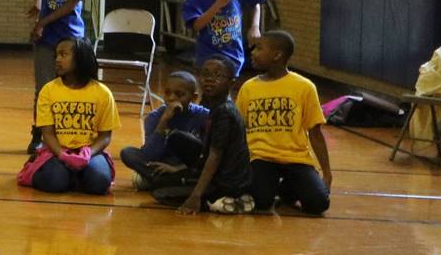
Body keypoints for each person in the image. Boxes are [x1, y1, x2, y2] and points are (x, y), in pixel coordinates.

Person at [232, 30, 332, 216]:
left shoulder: (304, 87)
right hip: (260, 158)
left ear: (277, 55)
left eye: (259, 48)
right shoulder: (249, 87)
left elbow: (316, 133)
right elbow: (238, 131)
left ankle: (287, 187)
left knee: (318, 204)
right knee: (261, 203)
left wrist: (327, 172)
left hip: (296, 158)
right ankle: (272, 188)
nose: (252, 52)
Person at [9, 0, 91, 151]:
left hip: (70, 37)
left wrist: (42, 22)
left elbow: (70, 5)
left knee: (70, 86)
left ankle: (69, 133)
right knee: (44, 88)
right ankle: (39, 134)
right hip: (46, 40)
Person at [153, 59, 254, 216]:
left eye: (218, 75)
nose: (209, 79)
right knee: (175, 145)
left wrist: (195, 196)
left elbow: (215, 156)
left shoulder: (224, 111)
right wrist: (179, 169)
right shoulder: (211, 106)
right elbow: (204, 151)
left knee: (161, 194)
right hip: (213, 174)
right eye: (205, 74)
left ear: (231, 83)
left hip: (226, 182)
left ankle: (231, 200)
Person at [28, 37, 119, 194]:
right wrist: (62, 154)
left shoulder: (102, 93)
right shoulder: (49, 90)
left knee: (99, 183)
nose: (57, 60)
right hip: (57, 150)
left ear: (81, 57)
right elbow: (47, 134)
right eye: (56, 55)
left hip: (90, 152)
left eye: (63, 55)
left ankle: (76, 175)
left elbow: (105, 136)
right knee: (55, 182)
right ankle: (64, 174)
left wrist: (88, 153)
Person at [117, 70, 208, 190]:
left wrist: (177, 168)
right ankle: (174, 182)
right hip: (161, 163)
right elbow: (150, 155)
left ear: (194, 97)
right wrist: (163, 121)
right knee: (127, 153)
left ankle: (160, 181)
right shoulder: (154, 117)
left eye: (179, 94)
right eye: (167, 93)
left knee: (180, 138)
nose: (171, 98)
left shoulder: (203, 116)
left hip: (187, 165)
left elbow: (205, 155)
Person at [182, 0, 267, 79]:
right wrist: (218, 5)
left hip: (233, 57)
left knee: (227, 95)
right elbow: (197, 26)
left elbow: (256, 2)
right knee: (209, 93)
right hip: (207, 58)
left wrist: (254, 26)